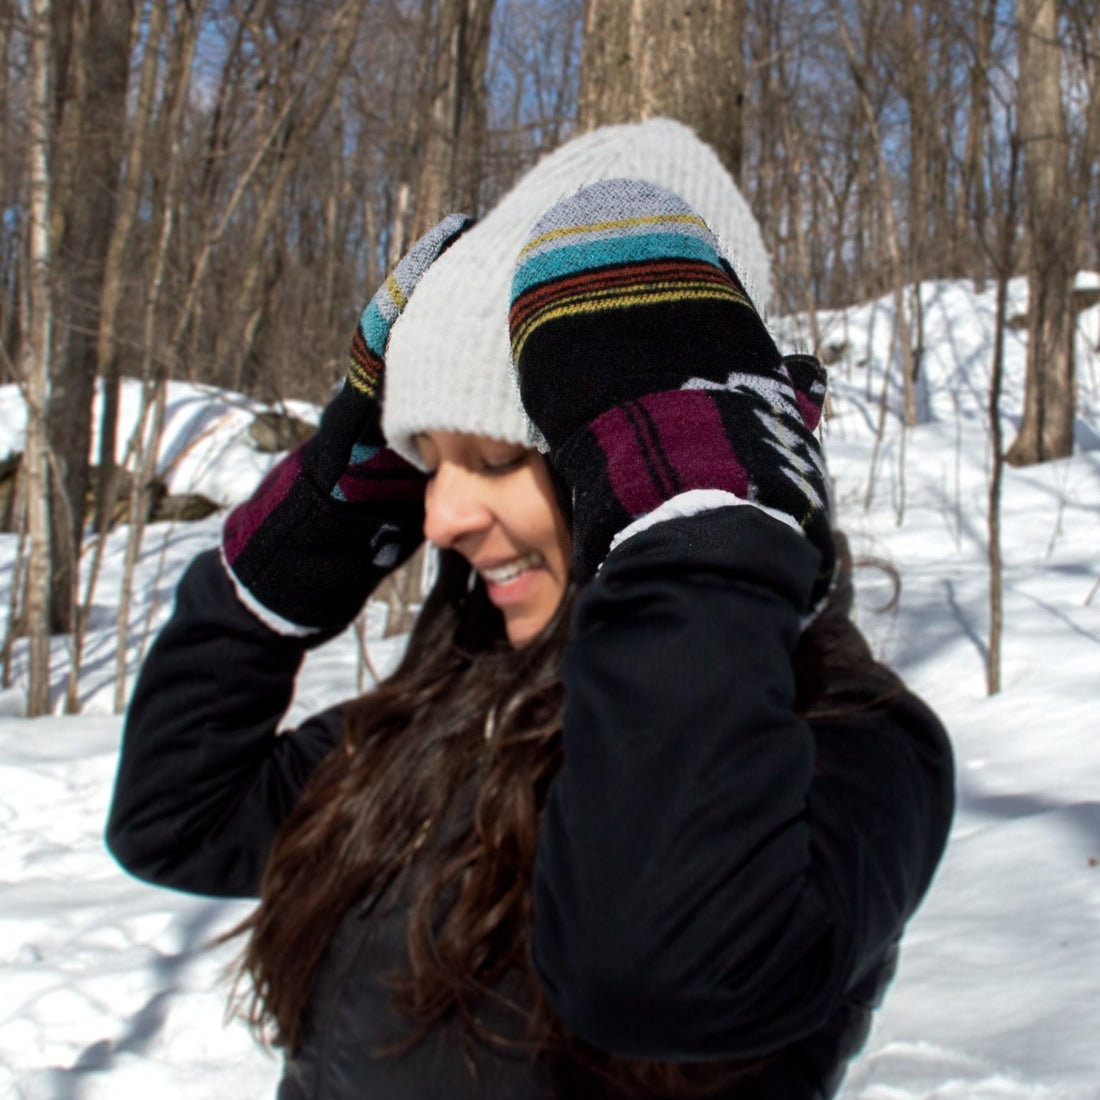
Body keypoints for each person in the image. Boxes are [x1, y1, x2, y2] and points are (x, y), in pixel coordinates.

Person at [106, 121, 954, 1100]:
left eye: (496, 458)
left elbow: (658, 973)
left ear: (651, 472)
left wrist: (704, 534)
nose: (439, 513)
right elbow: (173, 817)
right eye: (422, 462)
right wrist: (308, 526)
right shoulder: (450, 707)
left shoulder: (851, 748)